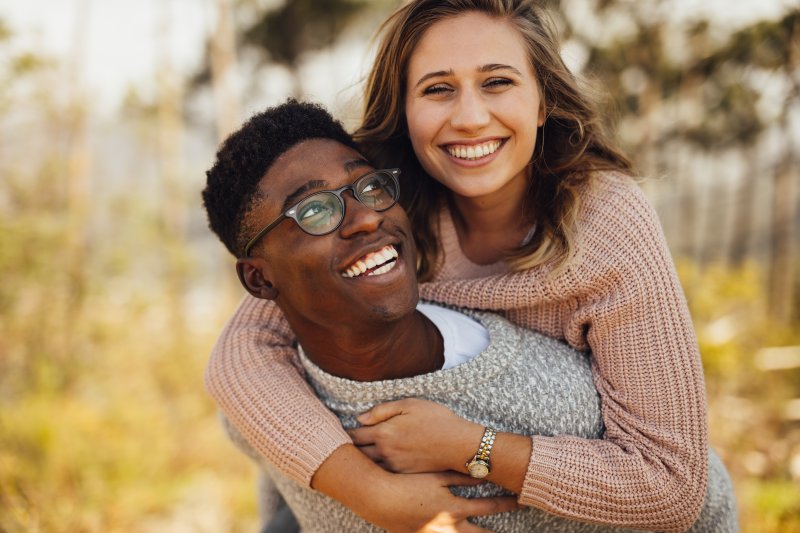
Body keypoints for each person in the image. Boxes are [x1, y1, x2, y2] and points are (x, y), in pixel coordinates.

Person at [205, 0, 724, 530]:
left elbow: (670, 484)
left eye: (497, 82)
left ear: (542, 102)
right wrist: (369, 491)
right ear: (405, 112)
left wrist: (470, 446)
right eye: (437, 89)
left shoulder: (604, 219)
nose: (471, 118)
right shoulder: (380, 202)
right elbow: (242, 353)